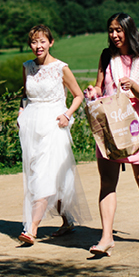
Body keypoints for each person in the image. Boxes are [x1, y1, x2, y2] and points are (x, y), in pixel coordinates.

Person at [84, 13, 139, 256]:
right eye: (111, 30)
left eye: (119, 30)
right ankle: (106, 237)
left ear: (129, 30)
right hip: (111, 122)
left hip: (138, 123)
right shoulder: (107, 56)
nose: (114, 35)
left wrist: (133, 86)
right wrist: (93, 92)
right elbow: (100, 86)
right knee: (107, 182)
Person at [17, 24, 90, 245]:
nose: (38, 46)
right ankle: (67, 220)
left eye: (42, 41)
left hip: (54, 125)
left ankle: (32, 229)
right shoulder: (27, 67)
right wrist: (20, 112)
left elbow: (78, 95)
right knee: (44, 174)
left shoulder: (61, 68)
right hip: (31, 126)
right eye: (34, 42)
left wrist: (67, 114)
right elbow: (25, 95)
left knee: (44, 174)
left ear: (51, 42)